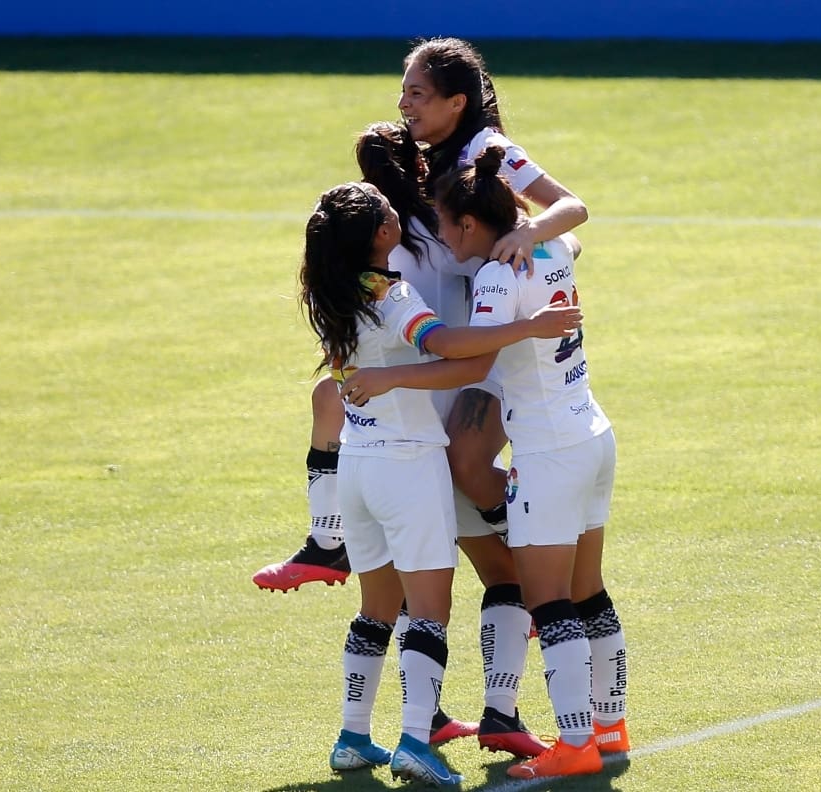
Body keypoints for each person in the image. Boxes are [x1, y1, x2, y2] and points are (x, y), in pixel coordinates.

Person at [253, 36, 591, 595]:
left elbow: (572, 211)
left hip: (475, 344)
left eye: (418, 93)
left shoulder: (488, 147)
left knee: (460, 475)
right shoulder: (431, 165)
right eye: (403, 93)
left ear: (456, 102)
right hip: (439, 340)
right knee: (332, 403)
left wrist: (528, 235)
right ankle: (329, 543)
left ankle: (531, 559)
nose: (405, 105)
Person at [337, 146, 628, 780]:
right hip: (592, 432)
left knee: (549, 600)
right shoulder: (551, 248)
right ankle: (610, 725)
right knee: (591, 590)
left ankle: (575, 743)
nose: (439, 238)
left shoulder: (496, 276)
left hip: (547, 453)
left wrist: (387, 380)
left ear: (469, 225)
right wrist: (528, 227)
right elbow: (567, 228)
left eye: (444, 223)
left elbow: (472, 363)